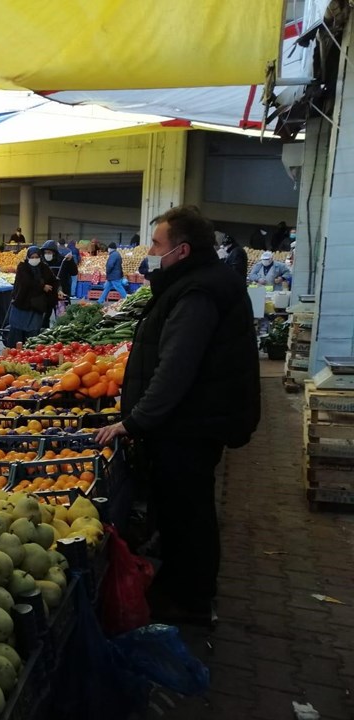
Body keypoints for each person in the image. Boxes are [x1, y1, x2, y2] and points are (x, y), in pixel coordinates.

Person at [95, 205, 260, 625]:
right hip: (192, 422)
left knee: (189, 514)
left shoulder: (197, 293)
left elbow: (175, 368)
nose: (149, 251)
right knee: (183, 511)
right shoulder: (198, 282)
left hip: (189, 427)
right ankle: (186, 589)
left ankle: (191, 600)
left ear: (182, 250)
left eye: (156, 244)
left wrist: (133, 422)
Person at [7, 247, 56, 347]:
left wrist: (58, 290)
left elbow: (53, 280)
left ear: (40, 257)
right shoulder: (22, 267)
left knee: (33, 330)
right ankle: (16, 350)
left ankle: (30, 350)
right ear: (28, 257)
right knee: (17, 329)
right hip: (22, 303)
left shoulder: (44, 268)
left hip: (36, 306)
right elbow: (26, 282)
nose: (34, 259)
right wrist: (42, 286)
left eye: (37, 257)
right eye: (32, 257)